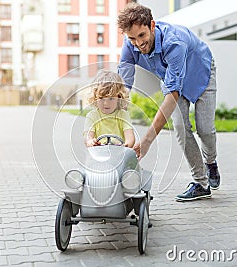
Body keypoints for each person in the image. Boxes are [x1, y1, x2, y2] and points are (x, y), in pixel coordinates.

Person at [117, 3, 220, 201]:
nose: (138, 43)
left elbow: (172, 96)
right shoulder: (129, 44)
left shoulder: (174, 43)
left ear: (152, 26)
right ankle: (201, 183)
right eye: (132, 38)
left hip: (201, 72)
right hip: (172, 77)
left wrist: (146, 141)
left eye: (142, 36)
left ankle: (211, 162)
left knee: (205, 129)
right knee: (181, 127)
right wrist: (115, 113)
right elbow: (124, 85)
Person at [84, 70, 135, 148]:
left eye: (111, 99)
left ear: (119, 97)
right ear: (95, 97)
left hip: (119, 152)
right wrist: (91, 142)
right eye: (101, 98)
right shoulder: (92, 116)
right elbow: (88, 138)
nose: (106, 103)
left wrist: (126, 145)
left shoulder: (123, 115)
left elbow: (130, 138)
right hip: (99, 153)